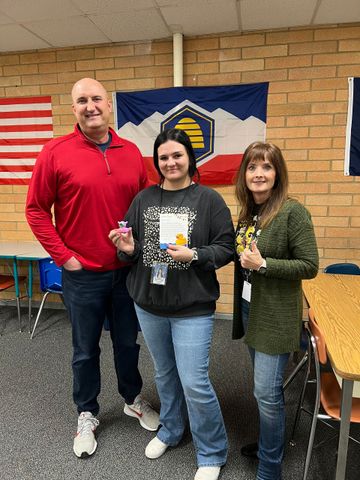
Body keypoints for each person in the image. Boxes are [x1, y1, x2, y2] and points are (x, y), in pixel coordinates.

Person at [25, 78, 159, 459]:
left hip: (125, 273)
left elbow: (145, 205)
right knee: (84, 350)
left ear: (109, 104)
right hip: (81, 275)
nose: (90, 105)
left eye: (96, 98)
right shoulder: (55, 152)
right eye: (81, 100)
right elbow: (35, 209)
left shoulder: (131, 152)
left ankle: (133, 397)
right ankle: (87, 412)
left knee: (126, 343)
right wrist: (62, 255)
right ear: (74, 109)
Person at [109, 128, 234, 480]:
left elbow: (226, 248)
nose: (170, 162)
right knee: (165, 374)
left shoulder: (209, 200)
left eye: (177, 155)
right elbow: (130, 249)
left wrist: (195, 253)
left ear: (190, 158)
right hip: (149, 304)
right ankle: (171, 430)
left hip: (192, 307)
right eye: (164, 157)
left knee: (194, 381)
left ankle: (211, 451)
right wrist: (127, 247)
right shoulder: (143, 199)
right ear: (157, 162)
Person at [232, 141, 319, 480]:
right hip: (251, 310)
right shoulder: (248, 213)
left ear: (277, 173)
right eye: (253, 167)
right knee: (263, 389)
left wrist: (265, 263)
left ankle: (271, 467)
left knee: (266, 394)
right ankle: (271, 443)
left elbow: (310, 265)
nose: (259, 173)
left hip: (276, 316)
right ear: (244, 174)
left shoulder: (291, 212)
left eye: (266, 167)